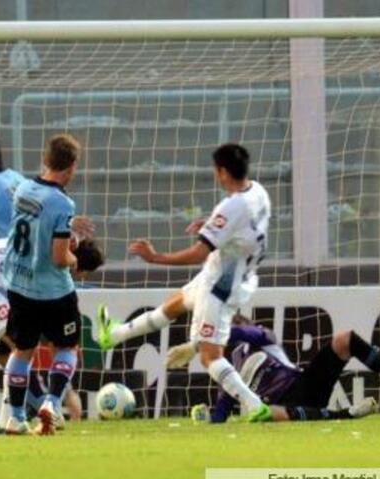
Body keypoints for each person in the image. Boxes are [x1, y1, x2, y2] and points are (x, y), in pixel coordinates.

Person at [96, 144, 274, 422]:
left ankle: (254, 405)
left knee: (209, 356)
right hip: (234, 275)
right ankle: (114, 335)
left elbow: (198, 253)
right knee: (174, 305)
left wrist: (155, 258)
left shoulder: (231, 206)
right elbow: (243, 228)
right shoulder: (258, 192)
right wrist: (213, 225)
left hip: (219, 287)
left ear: (223, 172)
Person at [0, 235, 104, 426]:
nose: (81, 277)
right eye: (83, 273)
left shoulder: (40, 242)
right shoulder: (49, 263)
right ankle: (15, 417)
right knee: (19, 346)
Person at [169, 316, 380, 423]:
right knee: (263, 413)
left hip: (304, 385)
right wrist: (205, 419)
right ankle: (346, 415)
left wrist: (196, 345)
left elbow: (243, 332)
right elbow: (222, 413)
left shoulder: (263, 337)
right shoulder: (225, 371)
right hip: (280, 408)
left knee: (344, 338)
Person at [1, 133, 84, 435]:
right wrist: (77, 257)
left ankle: (15, 418)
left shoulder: (22, 188)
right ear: (72, 166)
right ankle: (50, 403)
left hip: (18, 284)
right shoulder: (62, 203)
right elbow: (60, 258)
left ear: (45, 160)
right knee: (67, 347)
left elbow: (32, 225)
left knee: (22, 351)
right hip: (52, 291)